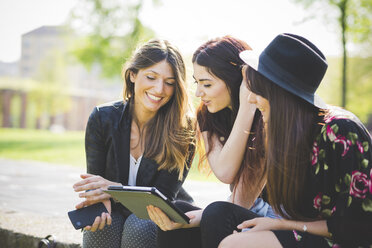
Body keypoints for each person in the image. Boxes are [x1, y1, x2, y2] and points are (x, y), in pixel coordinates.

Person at [201, 33, 372, 248]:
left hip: (338, 240)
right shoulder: (280, 130)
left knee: (233, 244)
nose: (251, 99)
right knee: (218, 215)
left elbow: (360, 226)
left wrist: (283, 226)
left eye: (257, 90)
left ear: (280, 93)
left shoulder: (341, 130)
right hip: (297, 229)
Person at [147, 36, 277, 248]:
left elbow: (240, 198)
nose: (199, 93)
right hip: (239, 210)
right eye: (197, 83)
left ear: (237, 82)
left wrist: (246, 107)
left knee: (215, 213)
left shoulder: (267, 116)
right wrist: (188, 219)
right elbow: (224, 172)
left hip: (275, 218)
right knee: (181, 208)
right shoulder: (208, 116)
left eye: (207, 84)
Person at [72, 39, 196, 248]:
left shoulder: (183, 130)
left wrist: (115, 190)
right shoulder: (102, 118)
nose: (159, 89)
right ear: (133, 75)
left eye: (170, 82)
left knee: (141, 224)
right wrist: (99, 200)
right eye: (151, 77)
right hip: (115, 208)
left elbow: (161, 197)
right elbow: (96, 182)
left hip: (155, 214)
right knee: (100, 225)